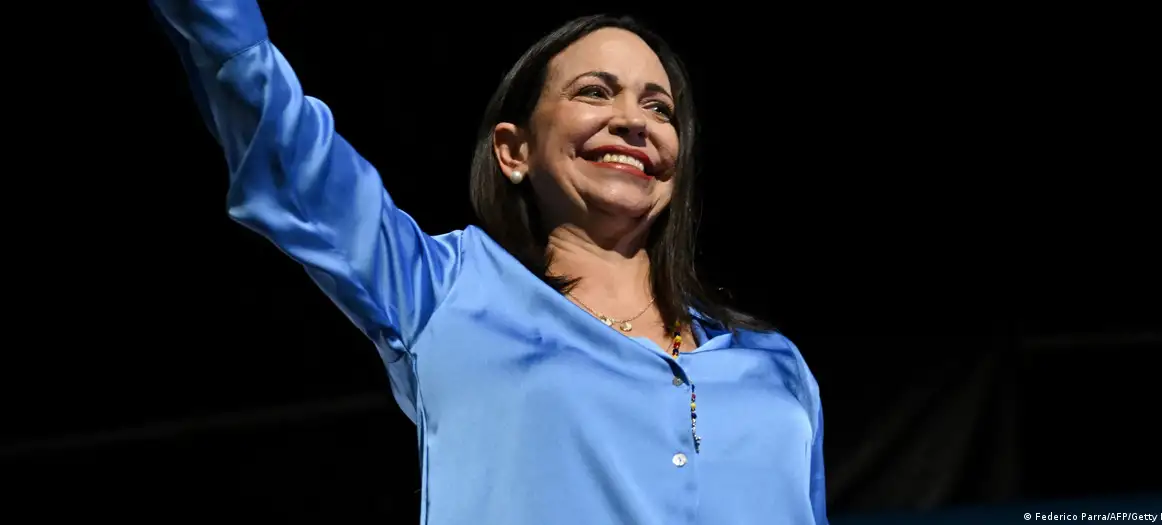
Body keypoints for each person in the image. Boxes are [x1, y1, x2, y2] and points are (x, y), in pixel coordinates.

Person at [152, 1, 828, 523]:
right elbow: (279, 137)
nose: (634, 119)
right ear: (513, 150)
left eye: (660, 106)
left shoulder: (776, 366)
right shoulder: (446, 293)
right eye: (595, 92)